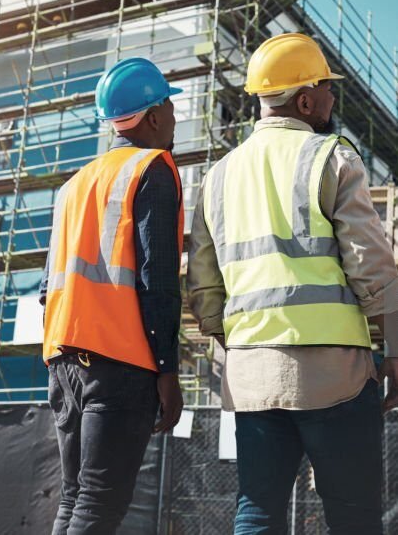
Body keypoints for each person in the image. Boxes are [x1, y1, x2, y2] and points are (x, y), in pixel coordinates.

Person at [188, 32, 398, 535]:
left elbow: (203, 285)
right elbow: (373, 267)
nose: (332, 98)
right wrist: (393, 350)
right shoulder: (331, 157)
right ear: (304, 99)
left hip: (252, 376)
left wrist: (238, 344)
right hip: (335, 374)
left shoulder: (216, 176)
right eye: (327, 88)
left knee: (257, 510)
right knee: (354, 514)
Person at [39, 57, 185, 534]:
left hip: (63, 361)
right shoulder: (153, 168)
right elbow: (156, 278)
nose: (175, 118)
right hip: (121, 362)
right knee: (99, 505)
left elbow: (47, 289)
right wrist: (167, 370)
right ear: (154, 114)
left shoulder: (73, 186)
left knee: (76, 499)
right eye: (170, 106)